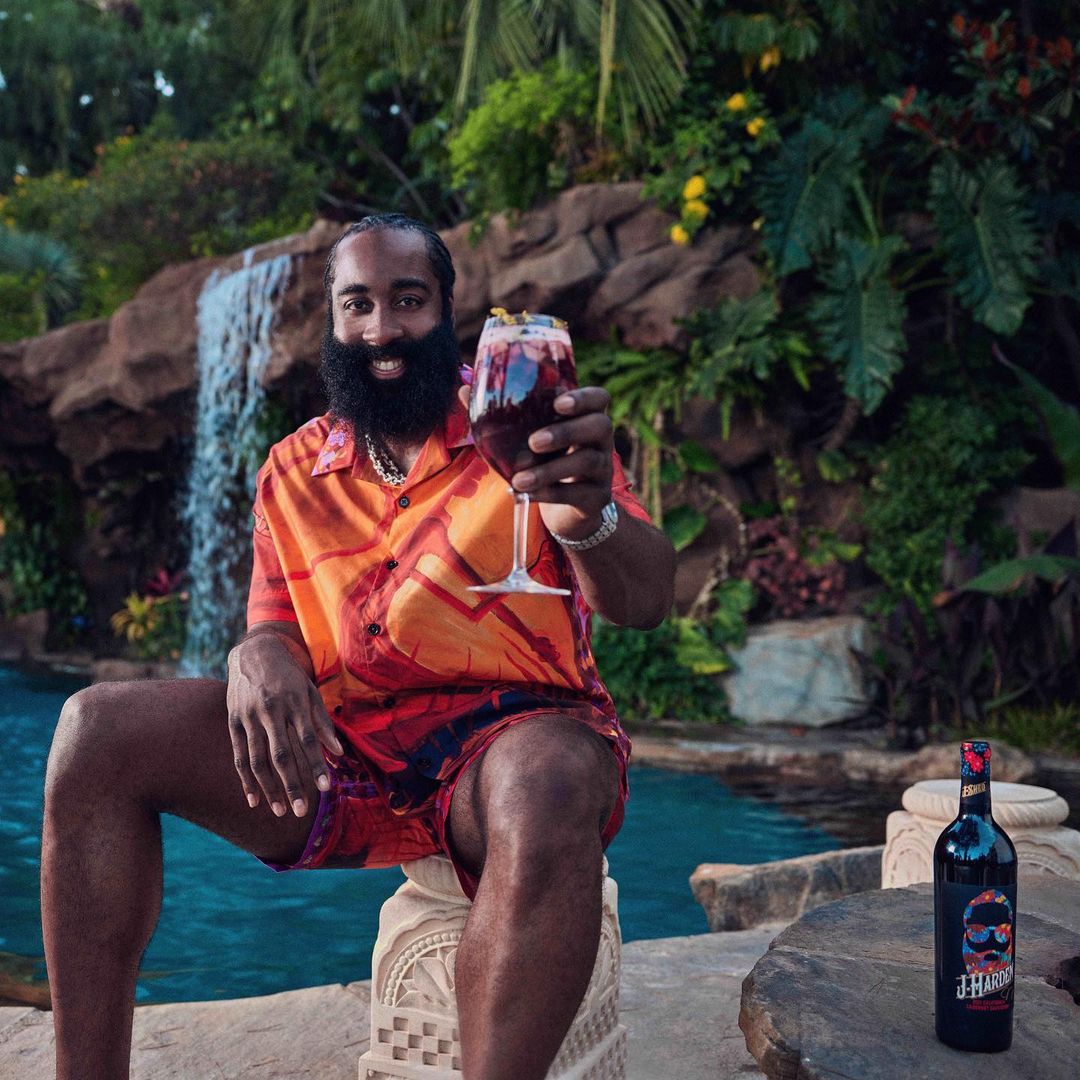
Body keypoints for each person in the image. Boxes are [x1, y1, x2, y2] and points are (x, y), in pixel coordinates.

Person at [42, 213, 676, 1080]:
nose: (381, 329)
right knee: (94, 732)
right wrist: (255, 653)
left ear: (446, 311)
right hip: (344, 759)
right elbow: (274, 625)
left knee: (548, 772)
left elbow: (644, 600)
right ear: (333, 320)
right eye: (358, 305)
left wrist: (587, 513)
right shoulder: (292, 470)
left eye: (407, 301)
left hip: (508, 753)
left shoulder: (527, 430)